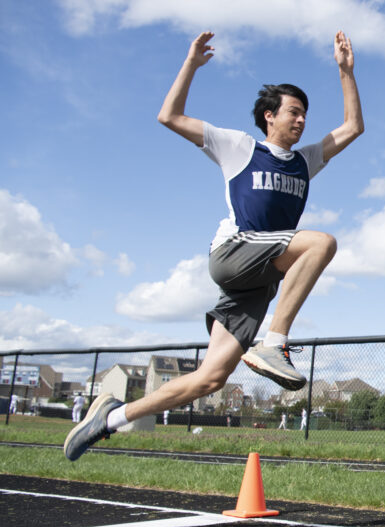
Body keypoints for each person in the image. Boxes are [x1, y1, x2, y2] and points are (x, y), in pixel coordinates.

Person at [64, 30, 363, 461]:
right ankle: (274, 342)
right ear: (268, 116)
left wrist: (345, 72)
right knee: (322, 243)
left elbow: (354, 126)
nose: (301, 121)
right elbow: (169, 115)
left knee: (209, 379)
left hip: (257, 282)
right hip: (233, 254)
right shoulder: (239, 147)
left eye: (305, 116)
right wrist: (191, 64)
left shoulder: (305, 162)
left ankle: (109, 418)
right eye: (293, 113)